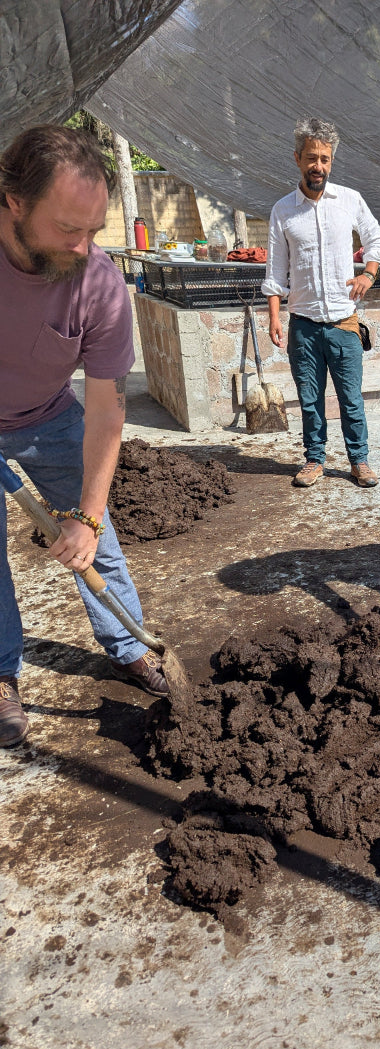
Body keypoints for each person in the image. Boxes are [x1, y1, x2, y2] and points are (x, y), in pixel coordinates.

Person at [0, 125, 168, 748]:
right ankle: (0, 674)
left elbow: (105, 410)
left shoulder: (97, 282)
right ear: (15, 203)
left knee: (100, 540)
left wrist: (87, 520)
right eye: (69, 229)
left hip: (50, 417)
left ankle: (130, 643)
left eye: (94, 229)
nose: (84, 246)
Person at [262, 117, 380, 489]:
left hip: (344, 324)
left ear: (331, 162)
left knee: (350, 399)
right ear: (298, 158)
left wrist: (369, 273)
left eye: (326, 159)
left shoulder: (350, 201)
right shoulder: (283, 211)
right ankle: (314, 460)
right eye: (312, 158)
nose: (319, 166)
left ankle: (359, 460)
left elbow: (375, 238)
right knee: (310, 399)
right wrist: (273, 317)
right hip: (303, 325)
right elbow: (275, 269)